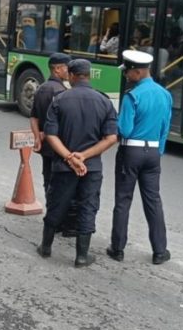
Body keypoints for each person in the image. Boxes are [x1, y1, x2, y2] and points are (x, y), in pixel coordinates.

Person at [41, 59, 118, 267]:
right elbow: (111, 138)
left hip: (63, 166)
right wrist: (84, 157)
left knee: (57, 203)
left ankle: (46, 248)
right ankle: (82, 256)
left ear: (72, 75)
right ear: (89, 75)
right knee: (88, 207)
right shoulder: (104, 101)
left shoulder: (60, 99)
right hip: (91, 167)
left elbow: (50, 135)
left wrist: (69, 157)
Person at [107, 50, 173, 265]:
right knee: (153, 201)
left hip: (131, 152)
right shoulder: (165, 94)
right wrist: (157, 151)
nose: (125, 75)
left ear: (137, 71)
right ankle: (160, 251)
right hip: (153, 153)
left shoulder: (132, 96)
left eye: (127, 72)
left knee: (123, 200)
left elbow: (124, 130)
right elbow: (165, 128)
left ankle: (117, 249)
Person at [31, 53, 72, 256]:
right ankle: (58, 222)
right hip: (59, 146)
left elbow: (34, 118)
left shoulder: (41, 89)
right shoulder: (60, 92)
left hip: (47, 147)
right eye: (66, 67)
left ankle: (54, 218)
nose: (69, 71)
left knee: (49, 182)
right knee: (59, 186)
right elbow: (56, 123)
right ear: (57, 69)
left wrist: (37, 139)